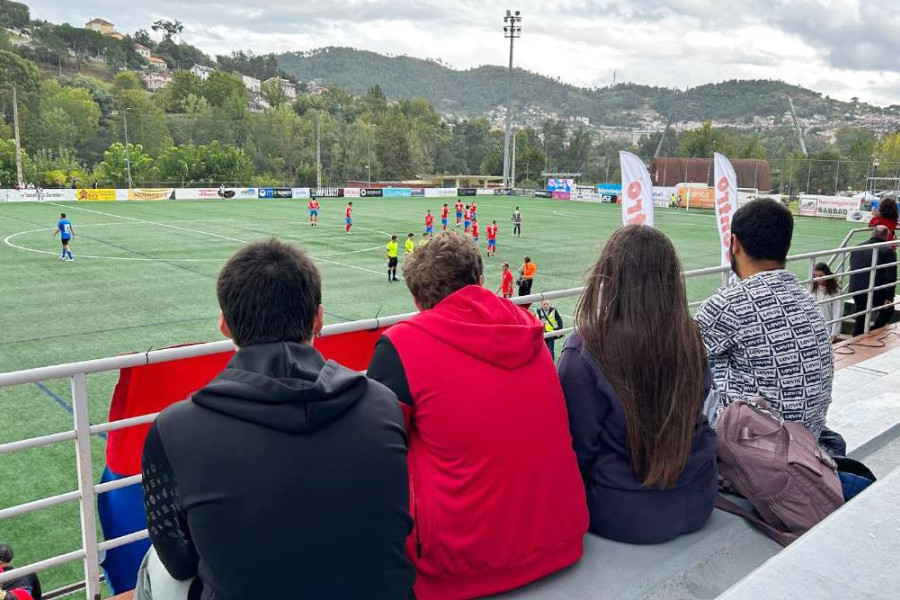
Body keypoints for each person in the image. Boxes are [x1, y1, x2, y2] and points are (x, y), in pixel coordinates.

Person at [141, 239, 415, 599]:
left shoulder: (174, 428)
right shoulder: (382, 403)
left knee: (156, 570)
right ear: (318, 318)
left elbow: (178, 560)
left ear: (224, 325)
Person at [367, 231, 588, 599]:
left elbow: (374, 448)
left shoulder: (403, 344)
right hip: (561, 539)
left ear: (418, 299)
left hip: (456, 567)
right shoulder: (527, 328)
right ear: (481, 281)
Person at [558, 225, 717, 544]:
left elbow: (574, 449)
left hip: (618, 512)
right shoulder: (690, 336)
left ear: (608, 278)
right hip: (698, 499)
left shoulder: (585, 349)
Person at [695, 199, 834, 438]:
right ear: (787, 246)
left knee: (688, 364)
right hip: (807, 441)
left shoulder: (730, 303)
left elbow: (669, 356)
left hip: (760, 452)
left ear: (734, 243)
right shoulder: (806, 299)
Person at [849, 225, 897, 336]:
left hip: (856, 288)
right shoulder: (887, 250)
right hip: (875, 289)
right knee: (888, 310)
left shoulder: (858, 247)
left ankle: (857, 336)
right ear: (886, 236)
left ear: (872, 233)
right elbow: (890, 275)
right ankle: (873, 332)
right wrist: (889, 297)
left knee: (862, 314)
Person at [813, 262, 843, 342]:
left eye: (820, 276)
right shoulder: (814, 288)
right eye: (815, 275)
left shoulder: (835, 291)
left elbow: (837, 312)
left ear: (827, 275)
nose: (817, 278)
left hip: (828, 327)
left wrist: (834, 332)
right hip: (815, 327)